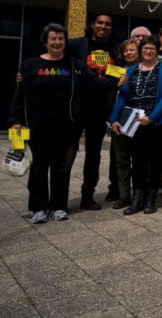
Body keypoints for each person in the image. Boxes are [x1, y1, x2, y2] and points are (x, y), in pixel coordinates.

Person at [10, 23, 103, 223]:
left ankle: (59, 206)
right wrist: (16, 121)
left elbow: (97, 84)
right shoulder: (29, 66)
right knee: (39, 169)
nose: (57, 42)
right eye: (53, 39)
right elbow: (20, 96)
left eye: (61, 39)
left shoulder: (75, 65)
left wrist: (120, 78)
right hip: (37, 127)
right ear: (46, 41)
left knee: (62, 169)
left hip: (67, 127)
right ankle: (38, 208)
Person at [109, 37, 162, 215]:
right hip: (134, 122)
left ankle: (150, 199)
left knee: (154, 161)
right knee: (138, 161)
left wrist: (152, 118)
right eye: (145, 48)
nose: (148, 51)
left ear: (156, 51)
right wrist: (114, 118)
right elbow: (122, 96)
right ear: (140, 51)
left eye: (152, 48)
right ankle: (137, 199)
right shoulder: (130, 71)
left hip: (157, 123)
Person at [67, 12, 119, 211]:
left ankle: (87, 195)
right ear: (93, 24)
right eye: (100, 23)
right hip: (77, 107)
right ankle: (58, 196)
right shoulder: (76, 45)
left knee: (94, 154)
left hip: (101, 109)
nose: (103, 27)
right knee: (68, 153)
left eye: (107, 24)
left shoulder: (115, 48)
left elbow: (120, 74)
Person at [109, 39, 140, 209]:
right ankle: (123, 195)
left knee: (139, 159)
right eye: (126, 50)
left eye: (132, 50)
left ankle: (138, 194)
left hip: (137, 118)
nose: (129, 53)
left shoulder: (144, 69)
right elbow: (109, 92)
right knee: (121, 159)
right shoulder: (115, 71)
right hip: (118, 119)